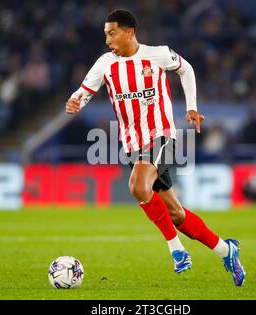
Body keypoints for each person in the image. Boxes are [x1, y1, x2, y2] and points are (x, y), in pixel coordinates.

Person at [65, 9, 245, 286]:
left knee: (137, 186)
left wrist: (193, 107)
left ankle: (177, 251)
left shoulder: (157, 55)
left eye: (112, 33)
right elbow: (85, 91)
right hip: (132, 144)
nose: (108, 40)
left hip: (161, 136)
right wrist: (75, 100)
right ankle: (226, 250)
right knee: (176, 213)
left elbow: (186, 69)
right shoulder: (104, 64)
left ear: (129, 32)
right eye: (105, 34)